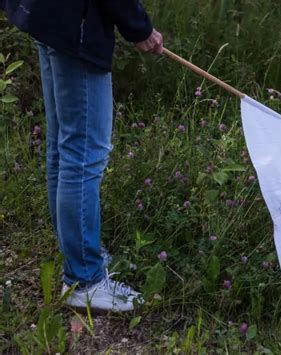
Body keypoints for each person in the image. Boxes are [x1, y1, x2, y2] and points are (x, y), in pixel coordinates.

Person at [0, 0, 164, 312]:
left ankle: (74, 251)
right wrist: (138, 26)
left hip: (48, 15)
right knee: (84, 152)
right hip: (74, 22)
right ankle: (84, 279)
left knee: (66, 145)